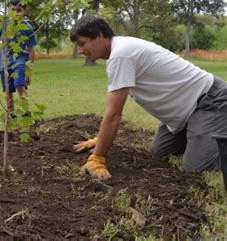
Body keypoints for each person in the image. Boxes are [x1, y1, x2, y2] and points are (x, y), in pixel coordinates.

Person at [70, 14, 227, 180]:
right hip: (183, 115)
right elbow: (116, 106)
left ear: (100, 35)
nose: (80, 51)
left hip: (210, 101)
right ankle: (203, 136)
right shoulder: (118, 54)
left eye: (82, 43)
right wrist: (101, 139)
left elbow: (114, 114)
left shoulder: (121, 54)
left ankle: (213, 132)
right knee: (159, 155)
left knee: (196, 168)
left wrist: (97, 158)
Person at [0, 0, 37, 115]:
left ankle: (26, 112)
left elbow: (31, 50)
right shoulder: (3, 23)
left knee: (19, 85)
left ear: (25, 11)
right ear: (9, 9)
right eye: (13, 10)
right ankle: (11, 116)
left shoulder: (27, 28)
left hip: (20, 60)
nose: (16, 13)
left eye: (19, 10)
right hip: (5, 62)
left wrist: (29, 70)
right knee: (8, 90)